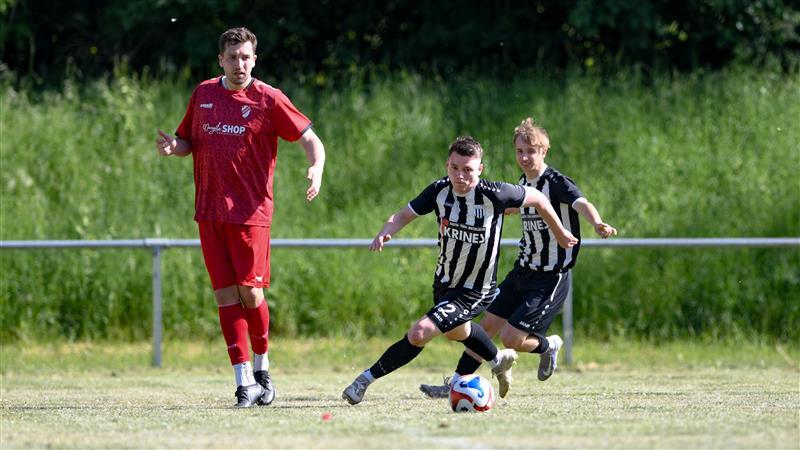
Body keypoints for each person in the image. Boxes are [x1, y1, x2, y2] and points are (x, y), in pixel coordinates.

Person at [155, 27, 325, 408]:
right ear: (221, 60)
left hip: (251, 214)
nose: (239, 64)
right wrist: (173, 147)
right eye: (232, 57)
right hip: (209, 212)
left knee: (250, 291)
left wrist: (317, 167)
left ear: (254, 59)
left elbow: (311, 139)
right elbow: (187, 142)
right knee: (225, 295)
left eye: (245, 57)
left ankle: (263, 368)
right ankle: (243, 381)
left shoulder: (268, 99)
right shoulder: (203, 95)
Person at [341, 136, 578, 405]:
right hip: (444, 284)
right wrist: (386, 231)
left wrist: (560, 232)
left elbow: (539, 199)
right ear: (447, 165)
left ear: (480, 169)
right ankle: (498, 359)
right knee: (457, 332)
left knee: (420, 332)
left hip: (477, 289)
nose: (460, 176)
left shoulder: (496, 194)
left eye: (468, 169)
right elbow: (404, 214)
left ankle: (363, 381)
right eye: (455, 168)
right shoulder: (439, 191)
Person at [419, 118, 616, 399]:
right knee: (485, 327)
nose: (524, 157)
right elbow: (510, 206)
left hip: (550, 276)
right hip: (523, 269)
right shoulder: (523, 183)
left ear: (544, 151)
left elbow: (581, 202)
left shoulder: (556, 183)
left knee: (511, 338)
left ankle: (548, 346)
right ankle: (456, 383)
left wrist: (596, 223)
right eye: (520, 151)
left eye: (531, 151)